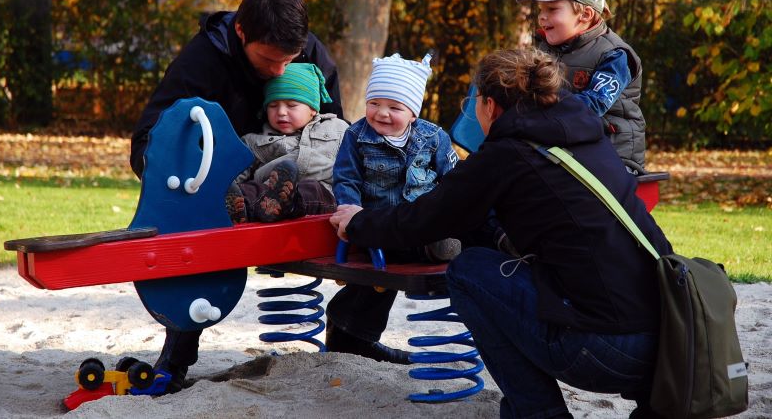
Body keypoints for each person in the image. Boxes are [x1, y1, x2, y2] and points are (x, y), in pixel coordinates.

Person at [330, 48, 673, 418]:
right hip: (666, 344)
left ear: (490, 105)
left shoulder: (505, 154)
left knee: (468, 271)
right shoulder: (587, 139)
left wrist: (358, 221)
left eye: (473, 101)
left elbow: (426, 218)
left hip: (596, 352)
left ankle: (537, 412)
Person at [128, 0, 343, 394]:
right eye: (269, 60)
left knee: (380, 202)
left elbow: (336, 133)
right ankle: (176, 357)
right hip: (219, 179)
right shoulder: (203, 60)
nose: (280, 71)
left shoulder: (308, 52)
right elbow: (149, 141)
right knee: (198, 229)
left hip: (292, 182)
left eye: (290, 60)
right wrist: (195, 182)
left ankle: (354, 332)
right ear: (241, 32)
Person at [326, 53, 460, 365]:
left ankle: (438, 242)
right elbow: (346, 178)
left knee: (426, 237)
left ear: (413, 113)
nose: (382, 113)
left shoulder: (434, 137)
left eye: (395, 107)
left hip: (419, 221)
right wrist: (350, 212)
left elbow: (453, 180)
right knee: (382, 270)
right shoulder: (356, 137)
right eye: (375, 103)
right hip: (376, 226)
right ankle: (434, 248)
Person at [515, 0, 647, 173]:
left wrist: (540, 110)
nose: (542, 17)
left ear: (585, 14)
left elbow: (594, 105)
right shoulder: (543, 51)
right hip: (565, 150)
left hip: (611, 155)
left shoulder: (615, 55)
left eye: (552, 9)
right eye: (541, 10)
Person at [224, 62, 348, 223]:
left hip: (320, 197)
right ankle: (239, 209)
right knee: (252, 189)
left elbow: (356, 161)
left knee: (312, 189)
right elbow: (235, 172)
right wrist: (227, 187)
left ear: (313, 109)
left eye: (292, 105)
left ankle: (288, 204)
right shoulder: (255, 140)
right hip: (268, 197)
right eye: (273, 105)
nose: (281, 112)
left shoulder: (337, 128)